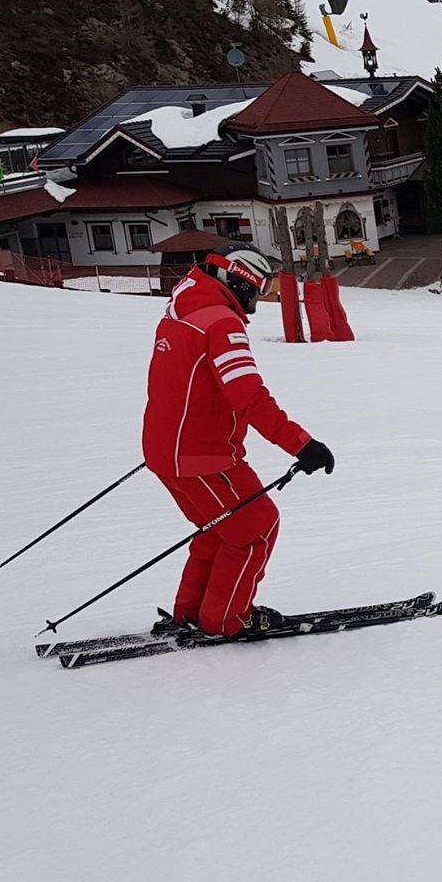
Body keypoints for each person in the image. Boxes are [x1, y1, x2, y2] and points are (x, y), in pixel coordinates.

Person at [141, 243, 334, 638]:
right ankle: (228, 619)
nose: (260, 298)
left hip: (172, 450)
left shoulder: (188, 308)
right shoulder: (221, 323)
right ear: (241, 278)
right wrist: (301, 444)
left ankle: (193, 611)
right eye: (260, 287)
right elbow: (248, 396)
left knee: (220, 529)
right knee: (256, 527)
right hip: (202, 456)